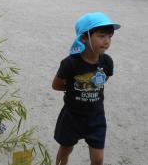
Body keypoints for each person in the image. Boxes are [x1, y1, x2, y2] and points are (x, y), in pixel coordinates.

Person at [51, 12, 120, 165]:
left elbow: (102, 81)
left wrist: (89, 87)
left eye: (109, 36)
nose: (107, 41)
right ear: (84, 38)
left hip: (96, 116)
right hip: (72, 115)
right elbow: (56, 85)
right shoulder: (70, 63)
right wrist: (75, 88)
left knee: (98, 159)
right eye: (101, 36)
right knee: (65, 149)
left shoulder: (107, 62)